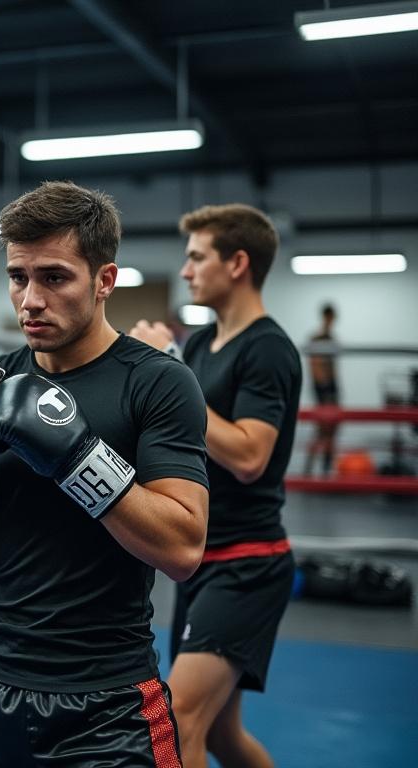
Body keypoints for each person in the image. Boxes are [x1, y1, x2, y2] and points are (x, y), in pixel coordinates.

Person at [0, 181, 209, 767]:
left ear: (104, 281)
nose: (30, 300)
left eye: (54, 277)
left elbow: (183, 547)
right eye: (18, 277)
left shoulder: (157, 383)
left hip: (108, 706)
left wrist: (78, 458)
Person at [129, 203, 301, 768]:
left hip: (247, 564)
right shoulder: (202, 348)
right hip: (202, 560)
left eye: (197, 257)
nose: (185, 271)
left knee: (176, 725)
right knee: (221, 736)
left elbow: (251, 455)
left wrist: (173, 366)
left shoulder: (266, 347)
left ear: (238, 264)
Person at [305, 303, 340, 475]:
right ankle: (309, 470)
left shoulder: (331, 338)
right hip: (323, 390)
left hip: (332, 389)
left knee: (331, 431)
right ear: (326, 317)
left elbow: (333, 369)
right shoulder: (317, 339)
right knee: (321, 431)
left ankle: (326, 470)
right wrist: (325, 394)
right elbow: (316, 369)